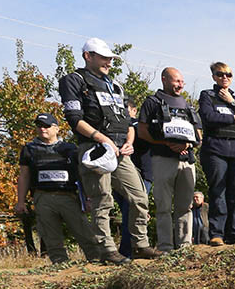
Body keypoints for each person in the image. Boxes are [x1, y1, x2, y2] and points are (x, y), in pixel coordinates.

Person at [58, 37, 154, 263]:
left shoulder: (116, 85)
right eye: (104, 58)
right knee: (102, 199)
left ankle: (141, 245)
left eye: (111, 59)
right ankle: (106, 251)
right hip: (95, 149)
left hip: (121, 150)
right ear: (87, 56)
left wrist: (130, 140)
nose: (109, 63)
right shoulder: (74, 80)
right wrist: (102, 139)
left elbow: (128, 121)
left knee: (139, 197)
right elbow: (74, 120)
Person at [14, 113, 102, 264]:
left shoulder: (69, 149)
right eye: (39, 125)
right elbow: (24, 176)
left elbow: (82, 175)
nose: (42, 129)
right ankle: (60, 265)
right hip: (42, 197)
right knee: (50, 236)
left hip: (68, 197)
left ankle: (97, 261)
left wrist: (87, 198)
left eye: (46, 126)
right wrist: (20, 201)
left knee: (84, 232)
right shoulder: (29, 149)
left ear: (56, 128)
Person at [138, 67, 201, 252]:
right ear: (164, 79)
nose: (180, 85)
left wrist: (187, 145)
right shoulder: (152, 102)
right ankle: (165, 247)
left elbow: (199, 135)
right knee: (163, 206)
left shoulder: (188, 105)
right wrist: (164, 143)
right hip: (161, 159)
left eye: (182, 82)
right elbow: (142, 131)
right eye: (176, 81)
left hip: (186, 161)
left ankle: (184, 247)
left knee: (185, 206)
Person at [198, 62, 235, 246]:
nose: (225, 77)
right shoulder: (207, 96)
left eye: (228, 74)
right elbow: (209, 117)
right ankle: (217, 234)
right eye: (220, 74)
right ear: (214, 76)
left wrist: (232, 104)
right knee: (218, 192)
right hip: (215, 150)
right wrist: (233, 118)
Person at [113, 96, 153, 258]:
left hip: (143, 175)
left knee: (132, 209)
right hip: (118, 174)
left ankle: (128, 252)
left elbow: (142, 135)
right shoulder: (115, 126)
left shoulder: (137, 126)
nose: (122, 112)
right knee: (127, 212)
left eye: (125, 109)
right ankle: (128, 250)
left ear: (134, 111)